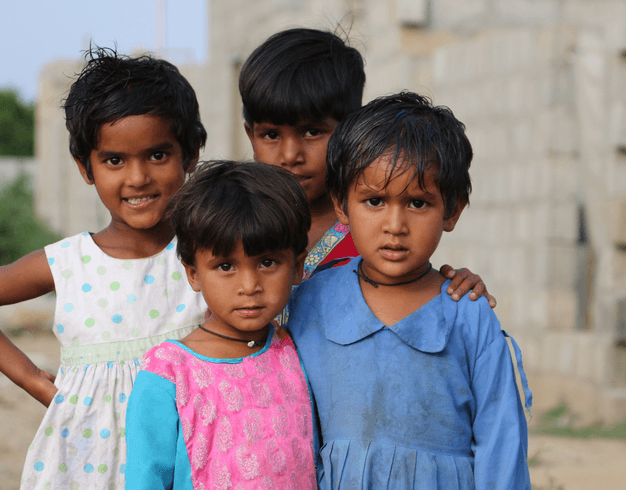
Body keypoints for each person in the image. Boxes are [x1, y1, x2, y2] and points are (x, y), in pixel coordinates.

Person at [0, 47, 209, 490]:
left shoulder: (209, 256)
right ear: (86, 167)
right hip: (90, 464)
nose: (138, 177)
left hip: (189, 455)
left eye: (158, 156)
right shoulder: (69, 263)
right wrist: (35, 381)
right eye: (114, 160)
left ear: (191, 154)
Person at [285, 92, 533, 489]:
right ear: (343, 206)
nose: (395, 224)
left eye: (417, 203)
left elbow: (500, 441)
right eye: (374, 201)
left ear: (452, 210)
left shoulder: (467, 312)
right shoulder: (309, 302)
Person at [239, 28, 493, 305]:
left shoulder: (376, 229)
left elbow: (420, 293)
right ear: (251, 135)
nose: (290, 155)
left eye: (312, 132)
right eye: (271, 135)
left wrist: (458, 286)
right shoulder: (231, 221)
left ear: (350, 129)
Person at [125, 161, 317, 489]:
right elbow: (146, 479)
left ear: (297, 267)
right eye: (225, 266)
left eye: (267, 262)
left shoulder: (296, 348)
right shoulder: (168, 374)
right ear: (194, 274)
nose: (249, 285)